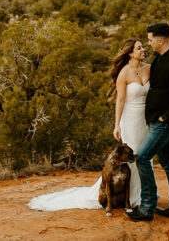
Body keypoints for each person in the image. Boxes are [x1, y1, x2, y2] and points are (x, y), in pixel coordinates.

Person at [27, 38, 150, 211]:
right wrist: (117, 125)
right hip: (130, 120)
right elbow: (120, 100)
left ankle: (144, 195)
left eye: (143, 46)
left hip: (146, 120)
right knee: (133, 155)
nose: (143, 49)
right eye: (139, 48)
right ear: (130, 53)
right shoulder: (124, 73)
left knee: (146, 157)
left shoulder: (149, 69)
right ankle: (129, 197)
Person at [126, 22, 169, 222]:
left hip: (164, 122)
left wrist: (166, 116)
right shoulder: (159, 59)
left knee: (143, 158)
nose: (149, 43)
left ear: (160, 40)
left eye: (150, 39)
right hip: (155, 121)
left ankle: (147, 208)